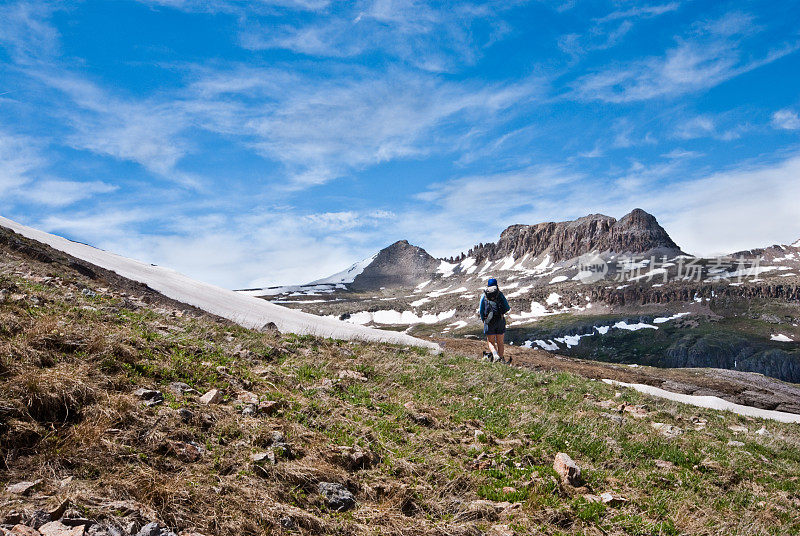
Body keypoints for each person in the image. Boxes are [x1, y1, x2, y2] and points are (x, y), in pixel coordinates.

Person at [479, 277, 511, 363]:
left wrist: (484, 320)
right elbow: (507, 307)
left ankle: (495, 355)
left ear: (488, 285)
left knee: (491, 341)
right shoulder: (499, 294)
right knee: (500, 342)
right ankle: (500, 360)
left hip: (489, 322)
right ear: (496, 285)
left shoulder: (484, 295)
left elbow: (481, 309)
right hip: (500, 321)